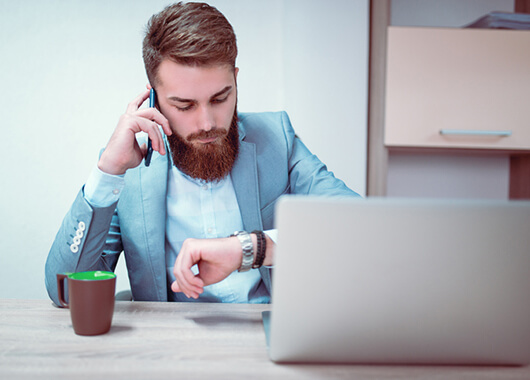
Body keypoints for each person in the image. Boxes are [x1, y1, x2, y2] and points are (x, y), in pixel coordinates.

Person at [45, 1, 360, 306]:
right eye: (185, 106)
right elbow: (65, 292)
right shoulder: (129, 170)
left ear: (235, 80)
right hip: (169, 347)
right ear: (153, 100)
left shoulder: (277, 137)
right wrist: (107, 173)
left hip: (265, 337)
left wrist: (249, 248)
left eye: (221, 98)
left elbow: (360, 231)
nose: (207, 123)